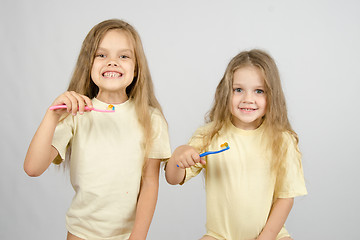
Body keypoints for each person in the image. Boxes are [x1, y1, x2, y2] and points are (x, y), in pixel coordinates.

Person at [24, 19, 171, 240]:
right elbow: (32, 168)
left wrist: (137, 237)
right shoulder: (75, 114)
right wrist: (52, 116)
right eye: (101, 55)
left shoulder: (151, 119)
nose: (112, 62)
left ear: (137, 68)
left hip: (128, 235)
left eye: (123, 56)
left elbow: (150, 182)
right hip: (80, 233)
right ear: (88, 64)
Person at [165, 49, 307, 240]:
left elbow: (286, 197)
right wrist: (177, 157)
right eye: (238, 90)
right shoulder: (209, 135)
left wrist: (267, 237)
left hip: (272, 235)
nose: (248, 99)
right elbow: (173, 179)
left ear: (272, 95)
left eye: (259, 91)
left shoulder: (282, 140)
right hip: (220, 236)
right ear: (226, 92)